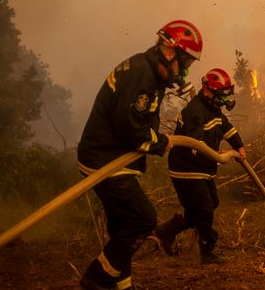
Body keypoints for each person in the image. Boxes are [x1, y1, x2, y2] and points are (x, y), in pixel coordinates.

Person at [77, 20, 203, 290]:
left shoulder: (148, 71)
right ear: (170, 53)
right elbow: (130, 127)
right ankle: (96, 279)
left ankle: (121, 285)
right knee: (142, 218)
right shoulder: (141, 75)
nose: (183, 74)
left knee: (122, 226)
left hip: (108, 156)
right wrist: (159, 143)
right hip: (105, 160)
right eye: (185, 64)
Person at [154, 68, 247, 263]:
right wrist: (217, 156)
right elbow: (196, 146)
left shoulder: (213, 109)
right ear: (209, 91)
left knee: (212, 203)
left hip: (202, 167)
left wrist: (239, 146)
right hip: (186, 168)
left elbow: (226, 128)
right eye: (221, 96)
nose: (224, 101)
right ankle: (207, 251)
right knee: (204, 208)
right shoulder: (195, 112)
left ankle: (167, 231)